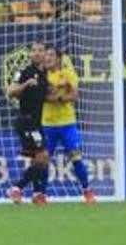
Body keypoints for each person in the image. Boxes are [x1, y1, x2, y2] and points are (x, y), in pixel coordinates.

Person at [40, 45, 95, 202]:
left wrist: (58, 97)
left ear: (58, 58)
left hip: (67, 122)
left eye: (51, 55)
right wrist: (58, 94)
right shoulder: (42, 75)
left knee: (75, 156)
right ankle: (42, 194)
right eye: (46, 55)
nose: (47, 58)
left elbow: (74, 95)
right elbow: (43, 96)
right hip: (48, 123)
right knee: (44, 159)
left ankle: (87, 191)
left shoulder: (68, 73)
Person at [6, 41, 50, 203]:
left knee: (37, 158)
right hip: (26, 121)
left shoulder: (46, 74)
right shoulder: (24, 72)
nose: (37, 53)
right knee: (43, 155)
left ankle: (38, 194)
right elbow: (10, 92)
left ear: (45, 54)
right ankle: (17, 188)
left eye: (40, 50)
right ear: (30, 54)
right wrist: (25, 85)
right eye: (34, 50)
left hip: (37, 122)